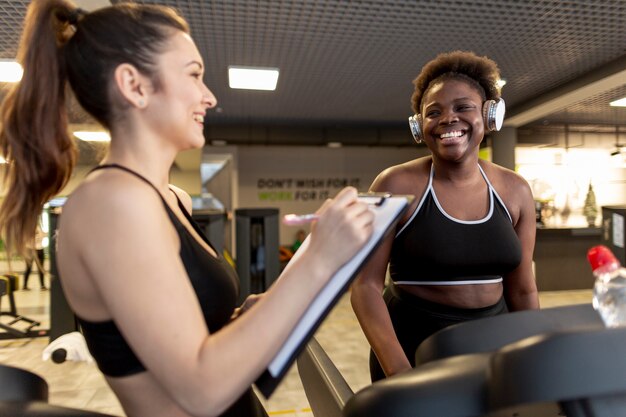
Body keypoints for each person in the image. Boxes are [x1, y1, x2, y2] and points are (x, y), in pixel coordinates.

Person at [0, 2, 374, 416]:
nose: (209, 96)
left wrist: (243, 318)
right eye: (194, 74)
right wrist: (319, 259)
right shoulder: (110, 204)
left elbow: (173, 341)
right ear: (134, 85)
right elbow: (200, 390)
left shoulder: (170, 197)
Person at [350, 51, 539, 382]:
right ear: (419, 127)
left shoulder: (515, 190)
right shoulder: (393, 184)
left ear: (490, 115)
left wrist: (537, 358)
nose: (448, 118)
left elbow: (522, 291)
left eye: (462, 107)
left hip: (492, 345)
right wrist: (398, 371)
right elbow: (365, 286)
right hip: (414, 347)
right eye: (433, 112)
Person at [22, 223, 47, 290]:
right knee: (29, 268)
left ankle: (42, 286)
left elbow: (42, 235)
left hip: (39, 248)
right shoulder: (28, 226)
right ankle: (24, 285)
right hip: (30, 249)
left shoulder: (39, 226)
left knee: (41, 268)